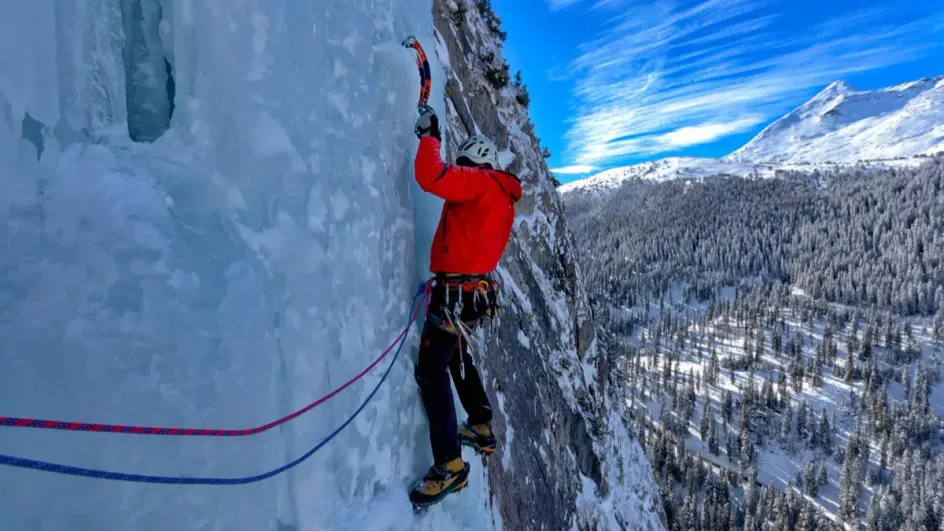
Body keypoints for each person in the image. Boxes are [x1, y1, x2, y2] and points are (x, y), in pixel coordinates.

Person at [408, 104, 522, 508]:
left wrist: (430, 135)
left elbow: (430, 176)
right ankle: (481, 424)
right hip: (471, 296)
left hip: (455, 294)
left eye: (465, 164)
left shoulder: (479, 182)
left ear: (476, 161)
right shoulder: (504, 198)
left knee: (431, 369)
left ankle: (450, 465)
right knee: (456, 353)